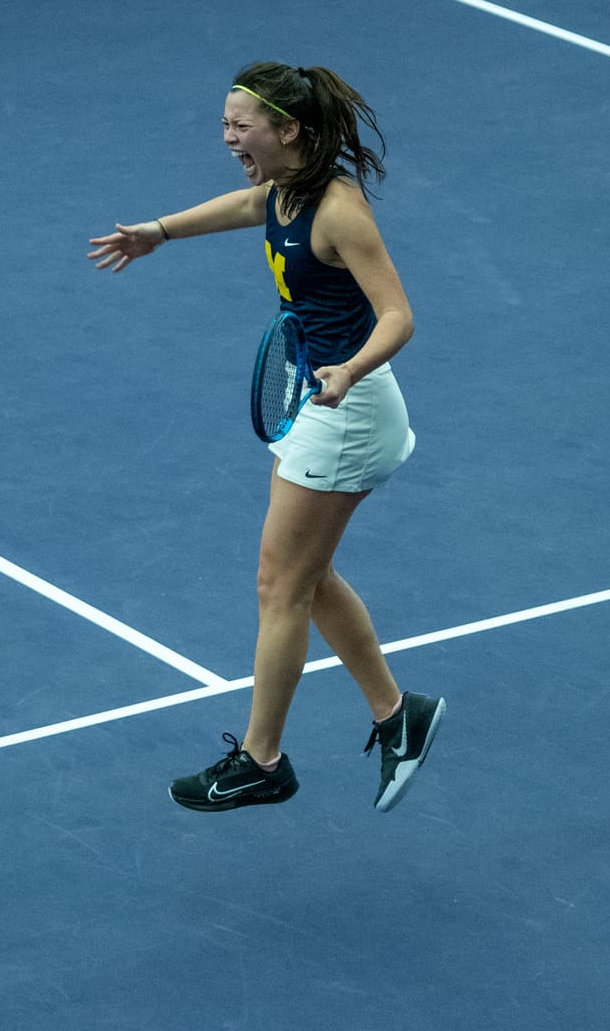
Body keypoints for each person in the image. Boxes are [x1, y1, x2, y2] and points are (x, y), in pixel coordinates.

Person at [87, 61, 444, 813]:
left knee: (279, 586)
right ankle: (396, 712)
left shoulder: (339, 210)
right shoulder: (287, 188)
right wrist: (161, 231)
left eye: (240, 125)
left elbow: (399, 317)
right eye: (225, 125)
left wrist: (347, 369)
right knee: (305, 580)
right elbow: (252, 204)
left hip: (346, 404)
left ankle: (262, 759)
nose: (228, 138)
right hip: (330, 398)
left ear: (289, 129)